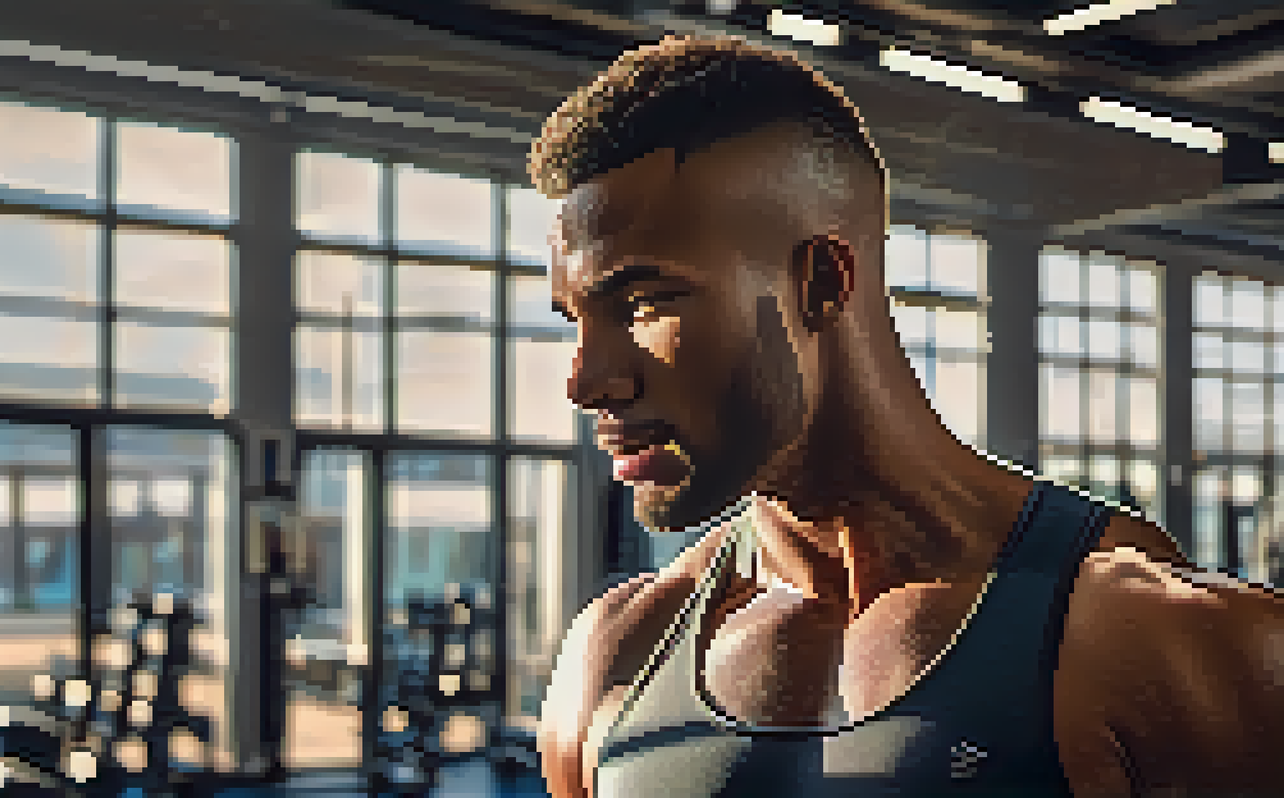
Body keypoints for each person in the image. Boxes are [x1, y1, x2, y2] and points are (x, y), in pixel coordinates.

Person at [533, 35, 1284, 798]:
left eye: (643, 303)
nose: (586, 380)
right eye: (575, 320)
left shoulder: (1161, 643)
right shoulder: (615, 656)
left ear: (821, 281)